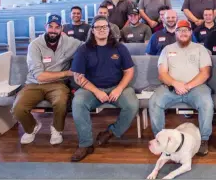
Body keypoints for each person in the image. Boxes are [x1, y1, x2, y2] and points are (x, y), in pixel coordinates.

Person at [70, 16, 138, 162]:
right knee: (78, 103)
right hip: (91, 89)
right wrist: (96, 91)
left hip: (116, 87)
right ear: (92, 31)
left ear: (109, 29)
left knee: (132, 105)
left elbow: (129, 71)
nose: (101, 30)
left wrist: (119, 89)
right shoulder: (83, 50)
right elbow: (78, 76)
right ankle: (85, 144)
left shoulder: (119, 47)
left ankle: (111, 132)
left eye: (104, 27)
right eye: (98, 27)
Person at [11, 14, 82, 145]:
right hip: (34, 84)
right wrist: (67, 72)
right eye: (50, 26)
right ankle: (32, 127)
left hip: (57, 85)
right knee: (18, 108)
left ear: (61, 29)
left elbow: (88, 47)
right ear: (45, 27)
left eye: (57, 27)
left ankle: (57, 129)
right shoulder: (35, 45)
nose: (53, 30)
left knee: (61, 102)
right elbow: (40, 76)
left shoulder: (70, 42)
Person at [149, 20, 213, 156]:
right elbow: (162, 74)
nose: (183, 33)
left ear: (191, 32)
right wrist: (175, 83)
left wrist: (188, 86)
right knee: (154, 101)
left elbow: (205, 73)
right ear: (175, 33)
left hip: (196, 87)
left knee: (206, 103)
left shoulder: (200, 49)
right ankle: (159, 138)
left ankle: (204, 140)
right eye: (180, 30)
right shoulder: (167, 49)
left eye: (186, 30)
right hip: (171, 87)